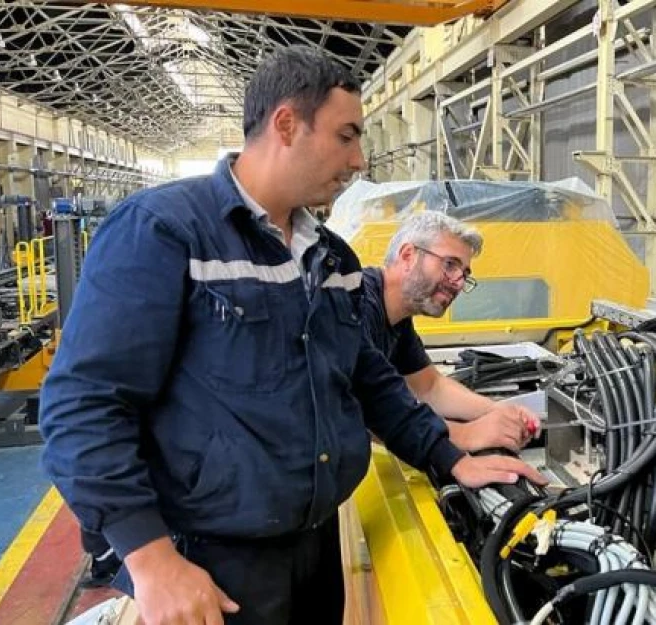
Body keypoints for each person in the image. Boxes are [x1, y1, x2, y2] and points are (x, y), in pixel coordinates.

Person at [39, 45, 544, 625]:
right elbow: (84, 404)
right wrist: (151, 559)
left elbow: (369, 379)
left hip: (311, 547)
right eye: (346, 136)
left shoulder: (331, 258)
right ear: (286, 124)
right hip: (209, 562)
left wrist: (449, 456)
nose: (358, 161)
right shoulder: (165, 231)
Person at [358, 212, 539, 453]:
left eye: (464, 274)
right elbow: (360, 412)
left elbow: (430, 387)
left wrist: (498, 411)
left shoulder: (398, 321)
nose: (459, 283)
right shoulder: (356, 306)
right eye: (450, 265)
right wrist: (468, 434)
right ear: (408, 256)